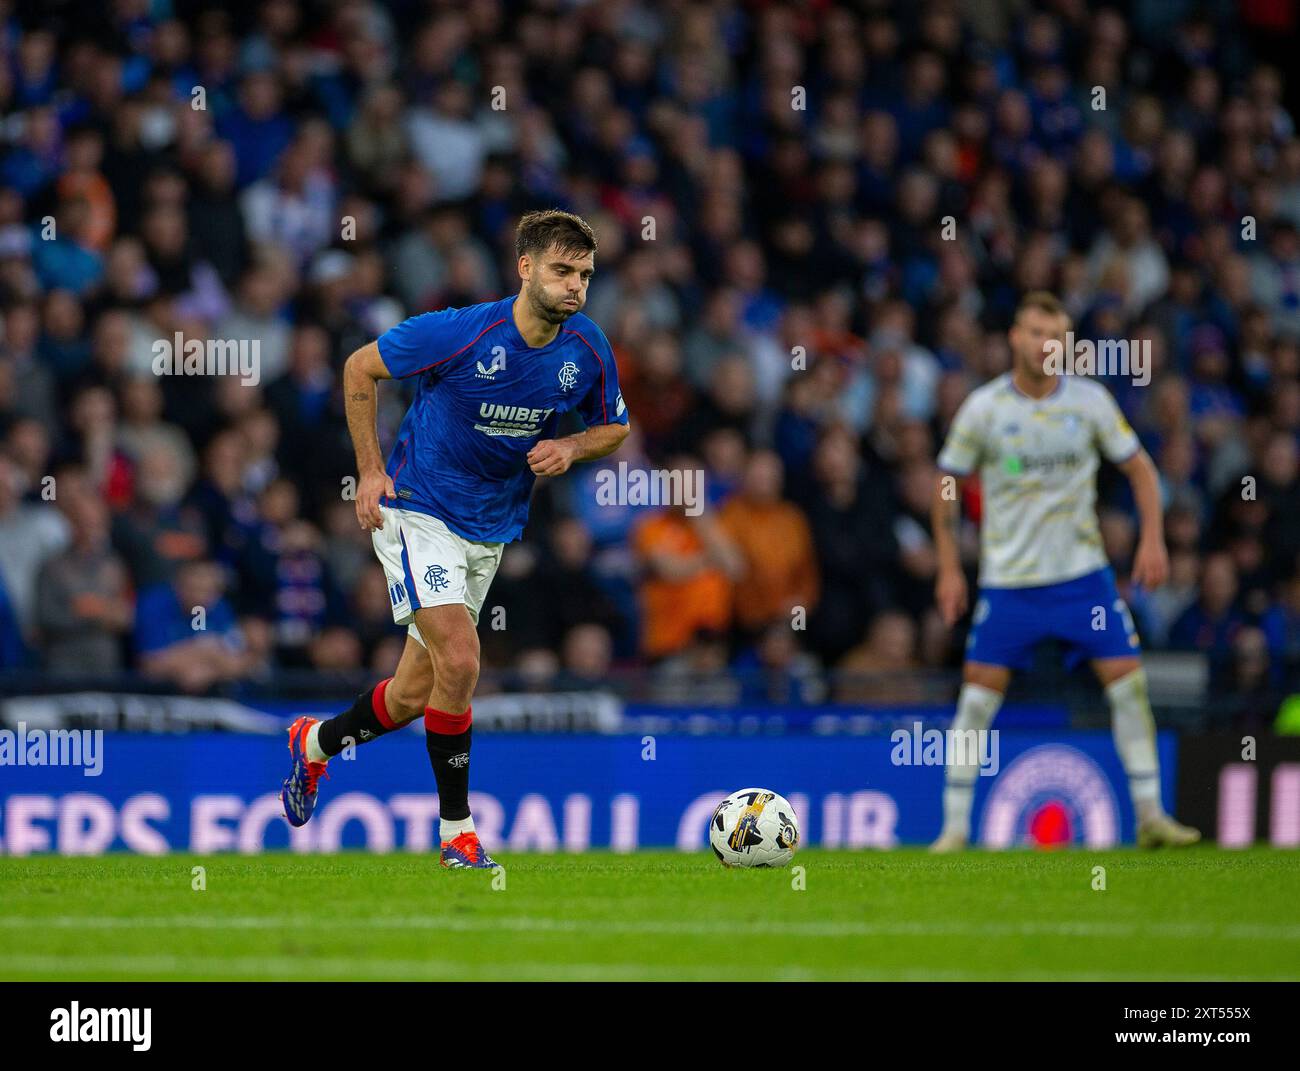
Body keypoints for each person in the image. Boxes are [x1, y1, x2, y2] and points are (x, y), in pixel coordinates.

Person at [279, 210, 630, 868]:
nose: (576, 285)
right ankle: (457, 834)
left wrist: (571, 444)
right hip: (419, 510)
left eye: (584, 274)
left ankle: (315, 744)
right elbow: (359, 369)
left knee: (414, 693)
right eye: (562, 270)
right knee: (464, 661)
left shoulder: (586, 349)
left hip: (489, 528)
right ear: (525, 268)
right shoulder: (461, 331)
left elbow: (615, 425)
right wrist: (370, 471)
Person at [930, 291, 1200, 851]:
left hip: (1082, 580)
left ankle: (1151, 815)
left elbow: (1142, 471)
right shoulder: (985, 409)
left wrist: (1152, 538)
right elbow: (946, 485)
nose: (1045, 344)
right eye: (1035, 332)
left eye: (1055, 336)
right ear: (1013, 337)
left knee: (1128, 689)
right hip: (1009, 583)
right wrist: (950, 567)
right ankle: (954, 828)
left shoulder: (1091, 402)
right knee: (975, 702)